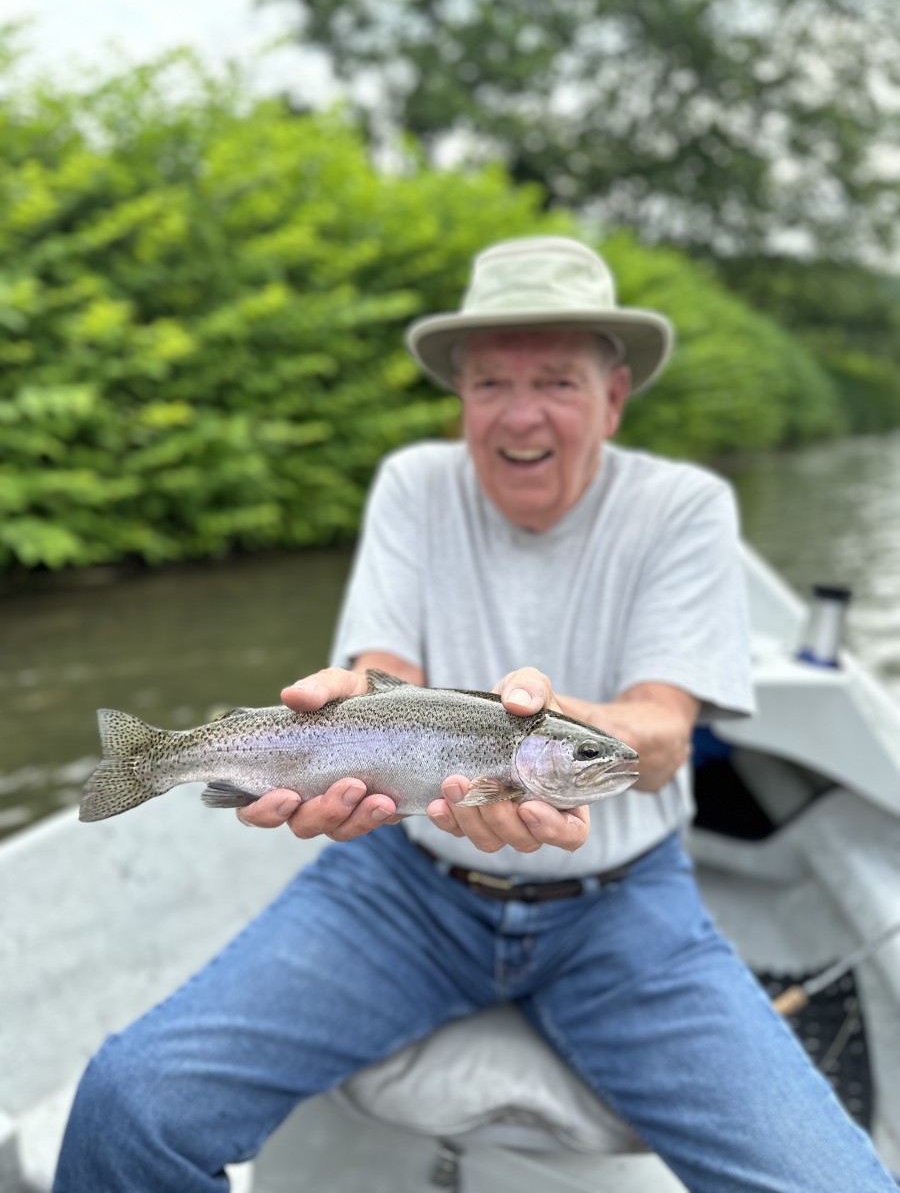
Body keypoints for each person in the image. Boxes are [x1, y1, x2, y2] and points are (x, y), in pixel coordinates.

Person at [53, 236, 897, 1192]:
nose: (521, 412)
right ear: (460, 397)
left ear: (615, 396)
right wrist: (345, 720)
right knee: (126, 1107)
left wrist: (562, 729)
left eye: (557, 381)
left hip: (626, 909)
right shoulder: (414, 485)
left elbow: (659, 730)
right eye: (491, 382)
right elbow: (380, 676)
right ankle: (159, 762)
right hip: (401, 890)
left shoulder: (683, 507)